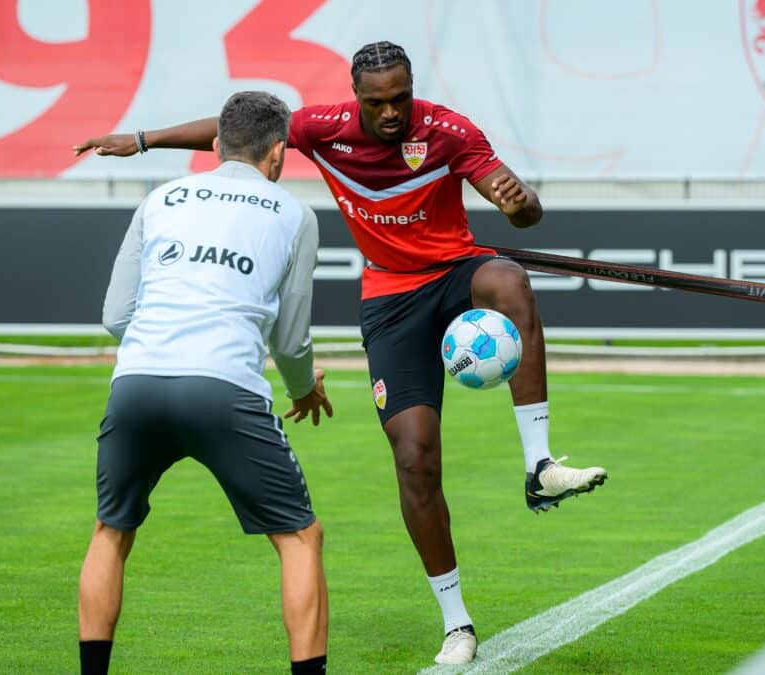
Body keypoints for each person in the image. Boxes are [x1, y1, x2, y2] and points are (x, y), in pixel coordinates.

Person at [73, 41, 607, 666]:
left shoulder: (451, 131)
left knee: (510, 279)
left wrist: (522, 206)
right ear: (357, 97)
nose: (390, 113)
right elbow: (232, 131)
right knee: (414, 458)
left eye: (400, 98)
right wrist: (142, 140)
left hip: (456, 273)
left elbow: (521, 212)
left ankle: (539, 466)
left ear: (413, 87)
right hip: (390, 298)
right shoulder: (322, 129)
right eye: (377, 102)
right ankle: (457, 623)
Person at [77, 91, 334, 675]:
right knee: (299, 538)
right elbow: (291, 340)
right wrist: (302, 388)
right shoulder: (295, 214)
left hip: (137, 381)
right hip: (224, 390)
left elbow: (116, 316)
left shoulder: (161, 198)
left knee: (111, 529)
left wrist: (162, 344)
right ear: (278, 154)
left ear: (216, 147)